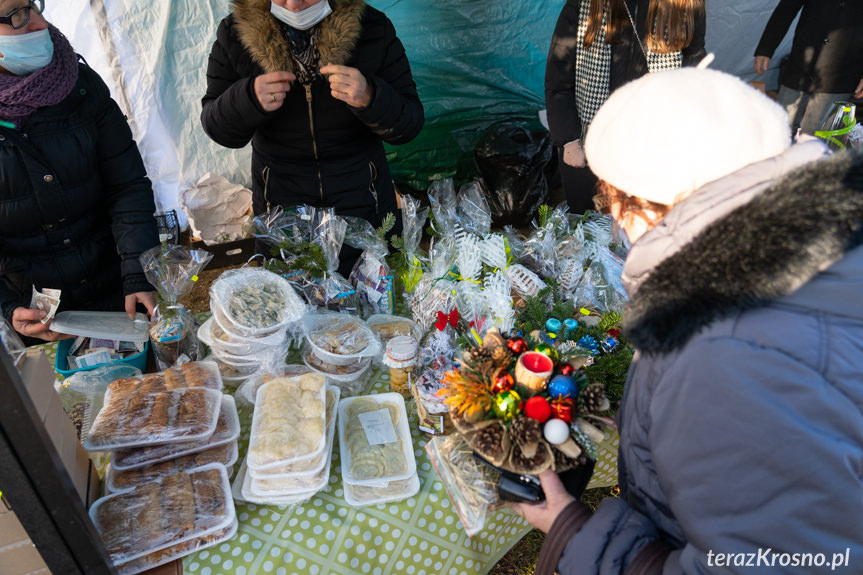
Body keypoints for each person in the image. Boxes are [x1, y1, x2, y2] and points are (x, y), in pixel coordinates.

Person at [514, 66, 863, 573]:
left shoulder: (726, 354)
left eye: (611, 200)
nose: (614, 222)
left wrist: (576, 534)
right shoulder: (819, 248)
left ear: (652, 205)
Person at [201, 0, 424, 275]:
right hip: (282, 222)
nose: (294, 4)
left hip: (366, 219)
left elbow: (409, 124)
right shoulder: (234, 33)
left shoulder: (373, 28)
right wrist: (247, 98)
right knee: (290, 310)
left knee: (376, 311)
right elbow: (218, 128)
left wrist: (371, 97)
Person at [0, 0, 159, 343]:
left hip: (116, 291)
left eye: (32, 5)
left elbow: (127, 185)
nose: (39, 23)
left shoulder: (80, 84)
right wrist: (7, 307)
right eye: (16, 15)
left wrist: (137, 270)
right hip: (40, 322)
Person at [545, 0, 706, 214]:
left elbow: (695, 60)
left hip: (654, 143)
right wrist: (570, 141)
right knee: (589, 227)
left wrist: (667, 80)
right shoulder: (585, 3)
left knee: (644, 226)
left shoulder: (685, 3)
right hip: (588, 144)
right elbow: (559, 74)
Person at [754, 0, 863, 137]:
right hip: (800, 64)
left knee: (815, 138)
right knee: (779, 129)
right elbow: (786, 10)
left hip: (843, 72)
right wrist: (766, 49)